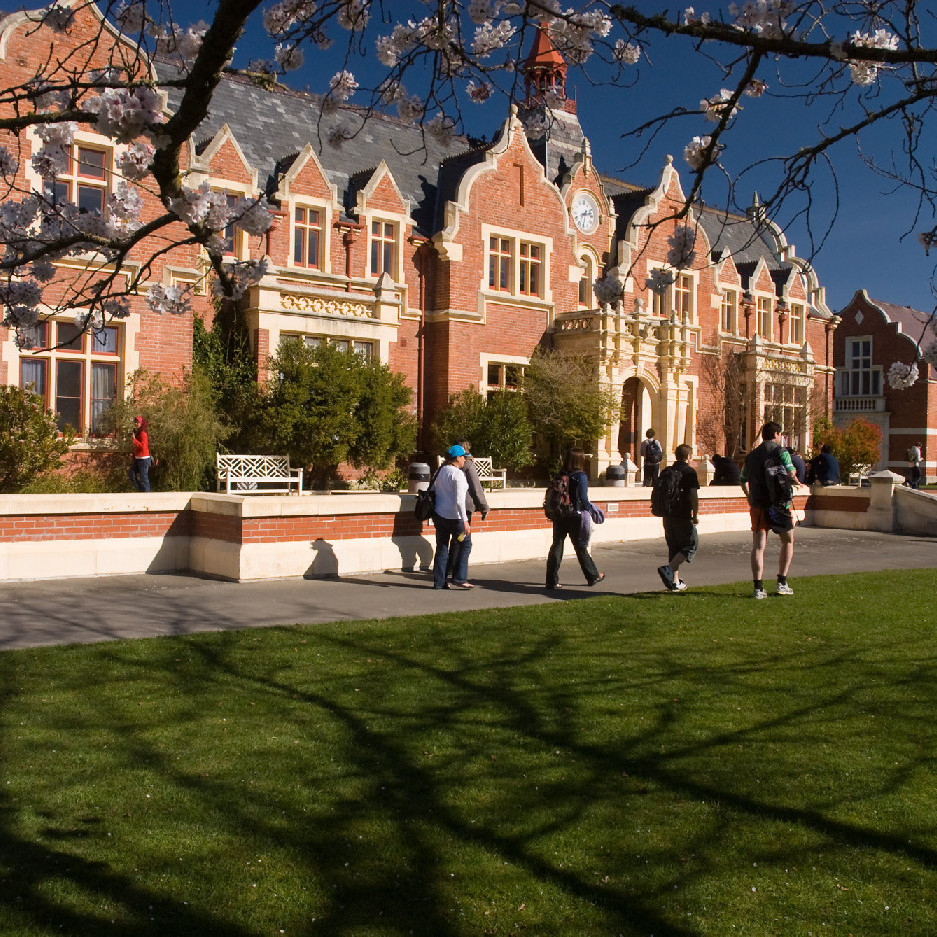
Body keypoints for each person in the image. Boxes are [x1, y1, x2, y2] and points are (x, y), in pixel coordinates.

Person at [740, 421, 801, 599]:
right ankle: (782, 582)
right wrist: (794, 477)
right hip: (780, 504)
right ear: (776, 434)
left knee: (758, 547)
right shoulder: (781, 452)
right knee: (787, 541)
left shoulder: (751, 456)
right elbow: (790, 473)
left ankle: (758, 588)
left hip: (759, 503)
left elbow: (742, 479)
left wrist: (749, 496)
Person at [545, 448, 606, 589]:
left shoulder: (560, 475)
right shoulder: (580, 476)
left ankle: (551, 580)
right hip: (574, 515)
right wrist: (591, 511)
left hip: (559, 514)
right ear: (580, 460)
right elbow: (583, 498)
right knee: (580, 547)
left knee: (557, 546)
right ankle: (593, 575)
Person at [657, 444, 700, 592]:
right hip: (682, 515)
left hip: (667, 514)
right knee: (691, 545)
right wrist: (696, 514)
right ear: (688, 457)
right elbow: (693, 495)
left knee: (674, 547)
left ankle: (674, 582)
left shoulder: (667, 471)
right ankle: (668, 569)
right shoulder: (689, 472)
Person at [445, 438, 489, 585]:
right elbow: (476, 488)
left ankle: (450, 568)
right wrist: (484, 506)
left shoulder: (447, 466)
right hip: (465, 509)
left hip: (449, 509)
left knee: (456, 540)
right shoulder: (469, 465)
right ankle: (458, 574)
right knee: (463, 540)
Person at [431, 444, 472, 589]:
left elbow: (435, 490)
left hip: (440, 516)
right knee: (465, 543)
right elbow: (460, 500)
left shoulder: (440, 471)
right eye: (464, 458)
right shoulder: (458, 474)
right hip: (456, 519)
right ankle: (460, 578)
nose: (465, 461)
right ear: (458, 458)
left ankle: (439, 582)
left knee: (442, 548)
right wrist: (465, 521)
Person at [128, 415, 152, 492]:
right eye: (135, 422)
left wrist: (134, 440)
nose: (136, 424)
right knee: (132, 474)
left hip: (144, 459)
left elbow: (143, 446)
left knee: (144, 478)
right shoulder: (138, 432)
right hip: (138, 458)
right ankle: (141, 491)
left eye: (138, 422)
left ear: (141, 423)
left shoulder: (143, 433)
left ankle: (147, 494)